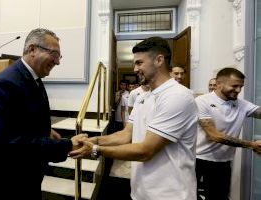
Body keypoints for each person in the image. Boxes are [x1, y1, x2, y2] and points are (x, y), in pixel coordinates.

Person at [70, 36, 198, 200]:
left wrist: (95, 150)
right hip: (142, 191)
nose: (135, 68)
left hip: (170, 193)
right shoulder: (142, 97)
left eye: (139, 63)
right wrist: (93, 140)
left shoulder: (177, 96)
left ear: (159, 60)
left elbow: (146, 151)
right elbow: (125, 135)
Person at [0, 28, 87, 200]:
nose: (57, 62)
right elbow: (12, 140)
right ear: (32, 49)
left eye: (59, 56)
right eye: (54, 54)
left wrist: (45, 131)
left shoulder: (32, 78)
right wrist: (66, 145)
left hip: (25, 178)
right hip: (4, 184)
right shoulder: (5, 83)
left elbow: (23, 119)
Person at [195, 67, 261, 200]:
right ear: (219, 84)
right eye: (234, 86)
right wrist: (251, 144)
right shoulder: (202, 101)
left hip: (223, 162)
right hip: (198, 160)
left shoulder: (242, 104)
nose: (238, 90)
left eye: (241, 86)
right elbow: (215, 136)